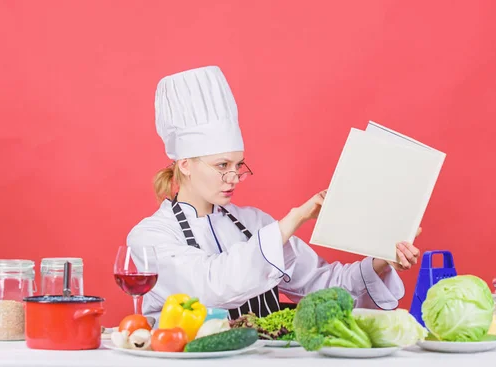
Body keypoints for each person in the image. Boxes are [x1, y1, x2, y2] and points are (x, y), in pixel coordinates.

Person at [127, 65, 421, 323]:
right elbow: (213, 285)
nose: (233, 177)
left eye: (238, 165)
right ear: (186, 165)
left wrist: (383, 259)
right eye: (221, 165)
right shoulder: (150, 237)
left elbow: (323, 285)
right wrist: (297, 217)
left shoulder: (254, 223)